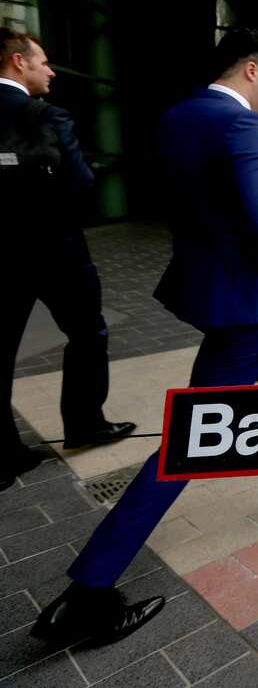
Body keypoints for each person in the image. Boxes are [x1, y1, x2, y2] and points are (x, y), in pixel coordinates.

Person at [31, 28, 258, 644]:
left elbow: (212, 198)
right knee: (188, 447)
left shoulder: (179, 117)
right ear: (251, 70)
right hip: (245, 306)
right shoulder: (245, 128)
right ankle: (88, 594)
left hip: (214, 293)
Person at [0, 28, 134, 490]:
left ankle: (4, 455)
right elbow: (79, 182)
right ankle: (84, 424)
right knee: (87, 332)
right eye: (42, 62)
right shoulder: (46, 115)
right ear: (18, 63)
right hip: (56, 248)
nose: (50, 70)